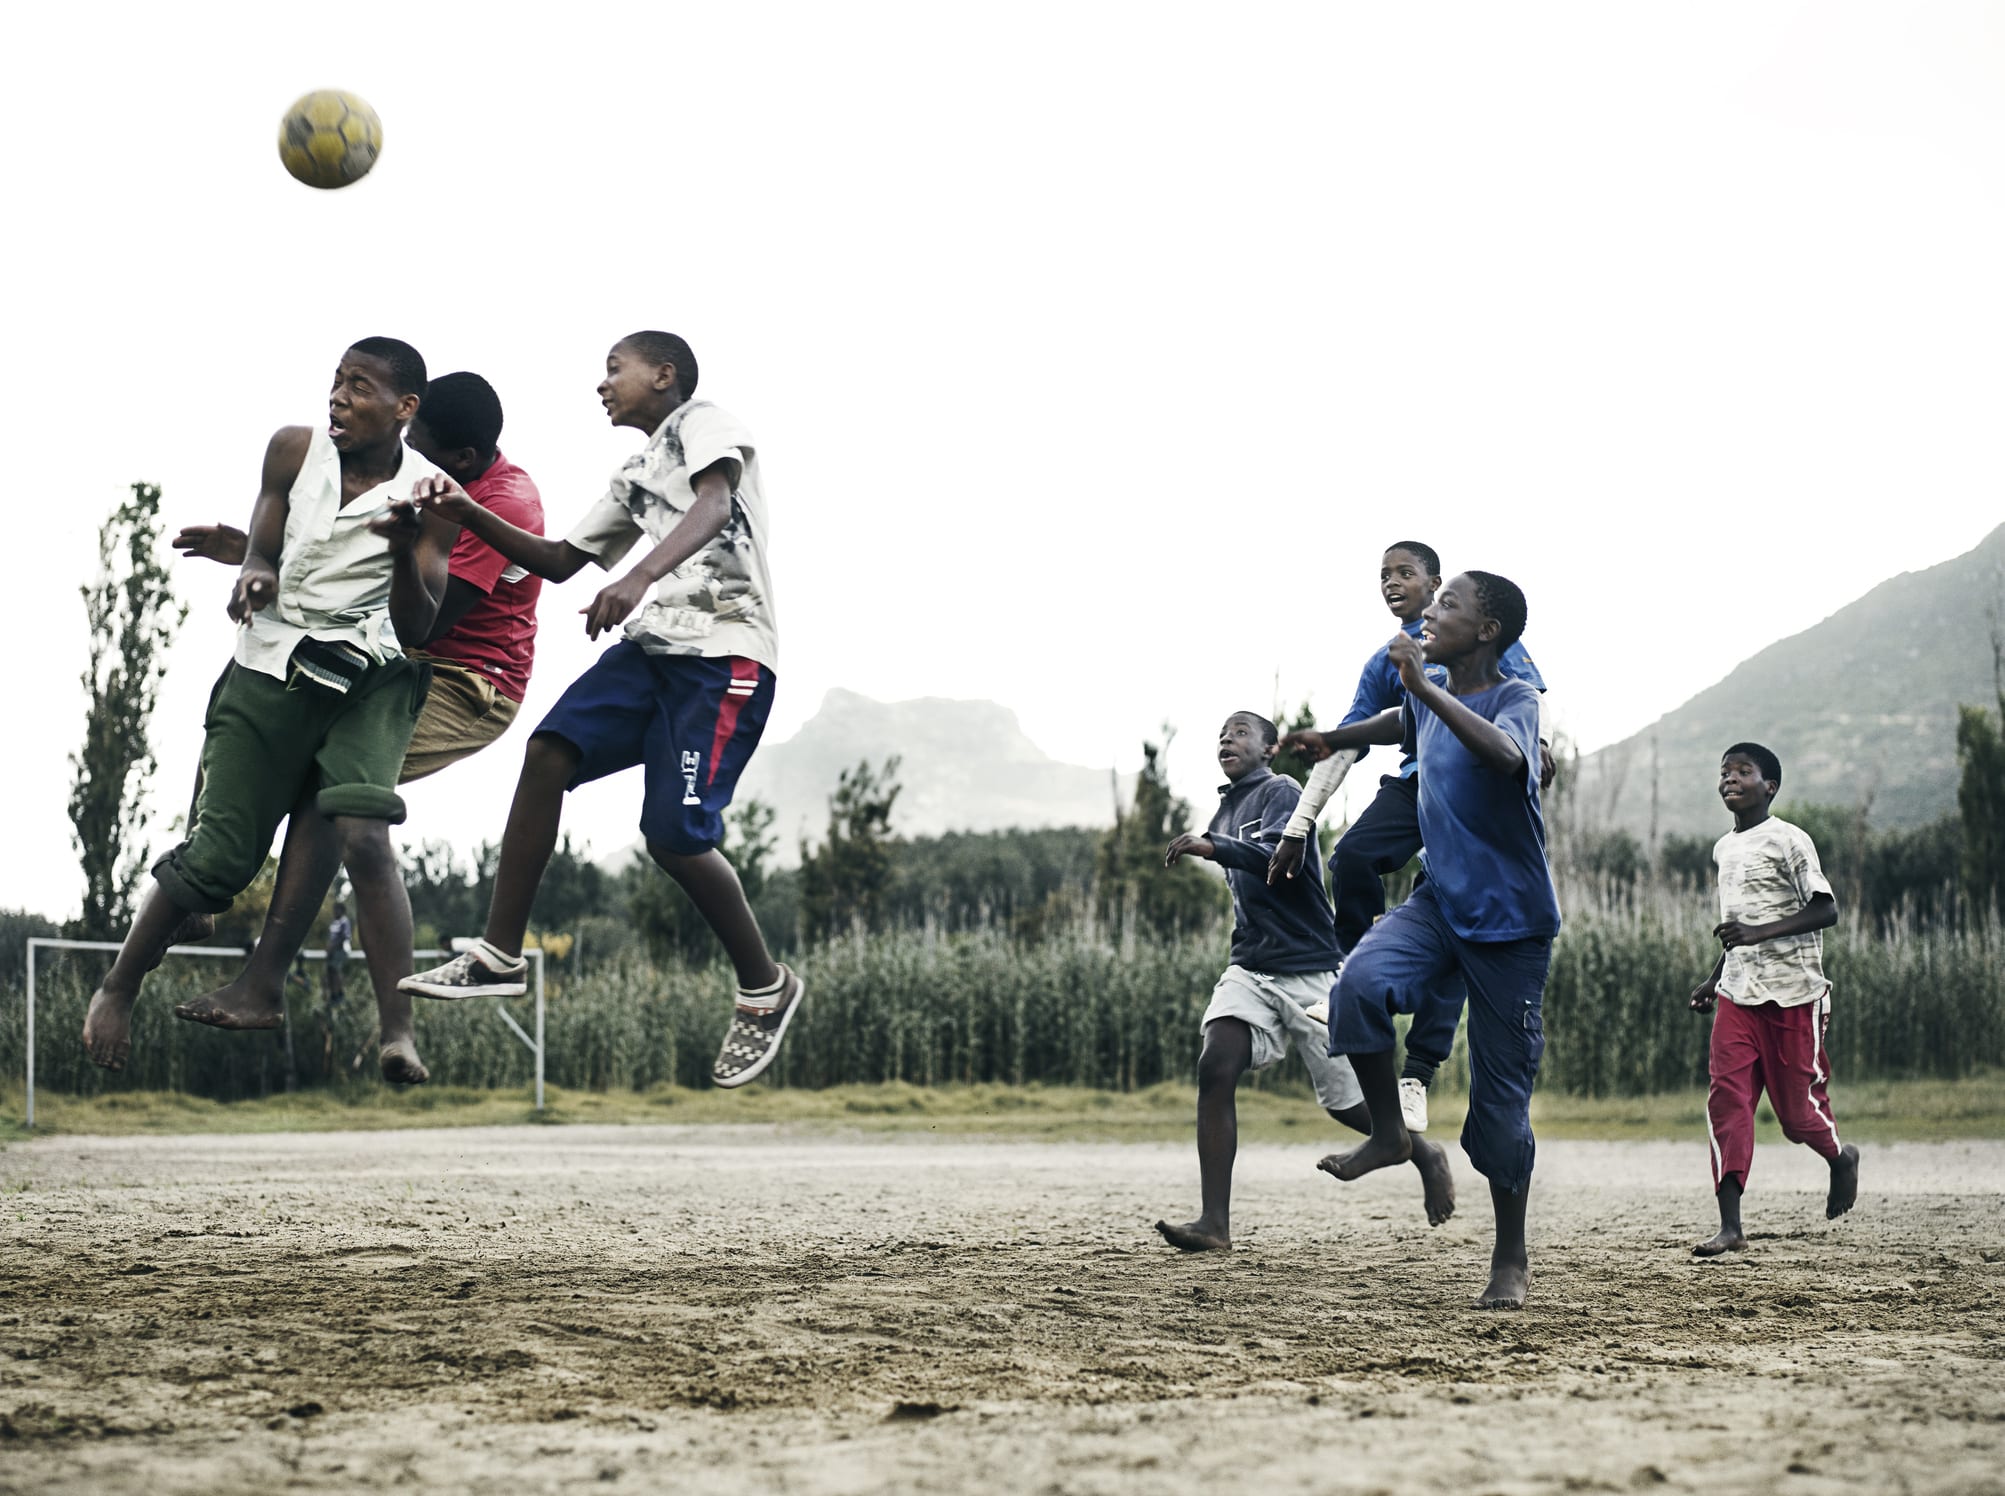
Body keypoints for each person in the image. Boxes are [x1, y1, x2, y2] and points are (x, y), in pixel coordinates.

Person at [398, 331, 802, 1088]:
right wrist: (465, 510)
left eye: (614, 369)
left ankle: (764, 986)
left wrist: (638, 578)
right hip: (655, 651)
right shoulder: (632, 475)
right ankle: (497, 953)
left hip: (724, 655)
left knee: (674, 838)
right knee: (549, 750)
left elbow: (714, 504)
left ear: (665, 374)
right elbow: (557, 562)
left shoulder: (704, 423)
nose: (602, 383)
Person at [81, 338, 455, 1084]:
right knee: (216, 863)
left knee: (365, 829)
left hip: (368, 678)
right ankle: (118, 985)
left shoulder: (433, 497)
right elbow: (263, 545)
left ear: (404, 408)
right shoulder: (291, 450)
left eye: (359, 387)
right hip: (270, 667)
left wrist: (402, 552)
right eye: (336, 382)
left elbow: (419, 628)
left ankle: (398, 1032)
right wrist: (252, 574)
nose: (339, 397)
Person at [164, 372, 546, 1034]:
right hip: (389, 656)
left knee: (329, 791)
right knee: (247, 688)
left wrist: (289, 577)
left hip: (467, 677)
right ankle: (202, 870)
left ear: (458, 459)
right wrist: (257, 559)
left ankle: (270, 984)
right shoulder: (404, 477)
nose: (405, 452)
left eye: (417, 443)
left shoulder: (497, 504)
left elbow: (419, 620)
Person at [1316, 571, 1558, 1310]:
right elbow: (1396, 727)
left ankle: (1509, 1255)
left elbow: (1510, 759)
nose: (1430, 610)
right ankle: (1391, 1135)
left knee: (1498, 1108)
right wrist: (1329, 738)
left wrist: (1422, 688)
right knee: (1358, 987)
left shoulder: (1512, 699)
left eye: (1447, 603)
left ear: (1487, 632)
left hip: (1511, 925)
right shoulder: (1426, 704)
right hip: (1437, 902)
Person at [1271, 542, 1551, 1134]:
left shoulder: (1489, 649)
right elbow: (1355, 737)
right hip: (1417, 785)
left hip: (1472, 792)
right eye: (1383, 575)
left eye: (1407, 573)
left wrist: (1539, 747)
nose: (1393, 583)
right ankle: (1349, 973)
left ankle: (1417, 1073)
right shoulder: (1388, 661)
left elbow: (1522, 712)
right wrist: (1301, 822)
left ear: (1437, 584)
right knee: (1352, 856)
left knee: (1455, 920)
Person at [1155, 712, 1456, 1252]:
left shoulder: (1282, 791)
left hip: (1312, 969)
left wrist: (1213, 847)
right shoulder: (1224, 811)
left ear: (1271, 750)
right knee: (1215, 1064)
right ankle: (1214, 1224)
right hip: (1250, 965)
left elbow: (1280, 859)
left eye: (1242, 731)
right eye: (1223, 733)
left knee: (1347, 1107)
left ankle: (1424, 1153)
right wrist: (1214, 841)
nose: (1228, 738)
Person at [1688, 743, 1859, 1257]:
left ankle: (1839, 1157)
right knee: (1727, 1101)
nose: (1730, 779)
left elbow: (1825, 910)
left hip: (1793, 998)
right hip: (1737, 996)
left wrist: (1759, 933)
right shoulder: (1723, 849)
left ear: (1770, 786)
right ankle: (1731, 1226)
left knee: (1796, 1116)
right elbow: (1735, 932)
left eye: (1743, 771)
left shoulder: (1790, 840)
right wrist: (1713, 977)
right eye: (1724, 772)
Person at [323, 901, 352, 1004]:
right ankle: (333, 994)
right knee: (329, 970)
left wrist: (333, 947)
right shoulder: (334, 922)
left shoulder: (344, 921)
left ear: (342, 910)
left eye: (337, 909)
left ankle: (339, 993)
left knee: (335, 969)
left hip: (340, 950)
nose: (334, 911)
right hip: (332, 950)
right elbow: (331, 937)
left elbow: (345, 937)